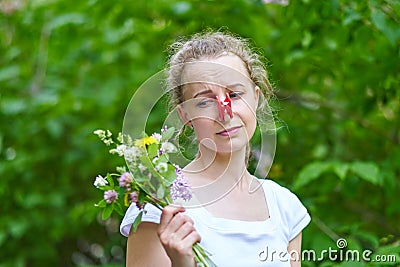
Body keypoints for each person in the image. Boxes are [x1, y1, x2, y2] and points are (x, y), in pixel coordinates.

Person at [120, 31, 311, 267]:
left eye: (235, 94)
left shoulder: (284, 207)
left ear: (257, 98)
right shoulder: (161, 204)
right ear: (185, 115)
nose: (225, 112)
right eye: (205, 101)